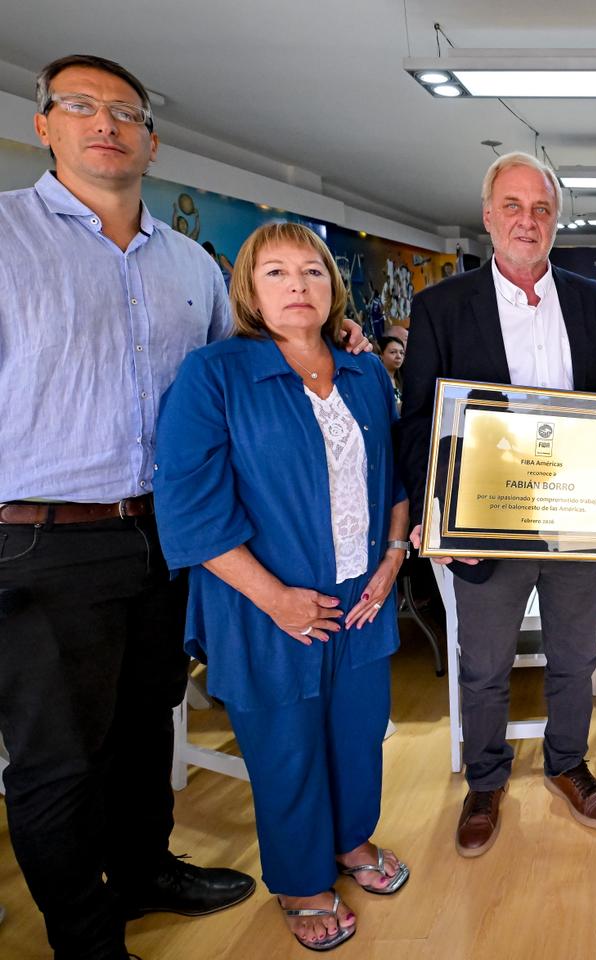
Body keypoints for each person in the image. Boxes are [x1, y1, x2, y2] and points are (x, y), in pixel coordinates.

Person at [0, 53, 260, 960]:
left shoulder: (193, 264)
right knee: (58, 758)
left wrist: (321, 336)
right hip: (39, 540)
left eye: (124, 111)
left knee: (149, 720)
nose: (104, 123)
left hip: (165, 531)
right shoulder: (4, 238)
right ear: (45, 125)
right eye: (81, 106)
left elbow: (240, 374)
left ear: (151, 137)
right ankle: (86, 937)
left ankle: (145, 867)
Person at [154, 223, 411, 952]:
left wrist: (393, 559)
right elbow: (191, 508)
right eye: (276, 273)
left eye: (312, 272)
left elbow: (393, 475)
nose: (297, 287)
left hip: (363, 595)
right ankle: (302, 881)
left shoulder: (363, 372)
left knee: (358, 734)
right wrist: (275, 598)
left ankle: (351, 842)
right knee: (287, 744)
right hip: (263, 604)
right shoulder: (215, 373)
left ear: (333, 288)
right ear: (249, 289)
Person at [399, 152, 596, 857]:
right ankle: (485, 779)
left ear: (556, 220)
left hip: (576, 521)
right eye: (513, 206)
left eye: (541, 208)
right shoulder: (441, 306)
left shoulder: (594, 302)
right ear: (488, 216)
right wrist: (438, 513)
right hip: (486, 526)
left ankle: (568, 763)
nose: (527, 221)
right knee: (484, 663)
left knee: (575, 653)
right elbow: (418, 420)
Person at [380, 334, 406, 406]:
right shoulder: (378, 381)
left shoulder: (401, 380)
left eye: (401, 353)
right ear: (381, 355)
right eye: (393, 352)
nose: (399, 356)